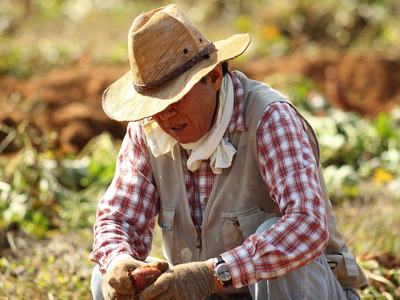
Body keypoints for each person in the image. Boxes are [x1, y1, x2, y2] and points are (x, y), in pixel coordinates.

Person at [89, 4, 367, 300]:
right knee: (106, 278)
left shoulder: (269, 119)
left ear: (214, 77)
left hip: (300, 291)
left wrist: (213, 274)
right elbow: (120, 219)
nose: (166, 115)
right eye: (156, 105)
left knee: (282, 247)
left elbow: (307, 224)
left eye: (176, 97)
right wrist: (119, 260)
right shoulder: (148, 131)